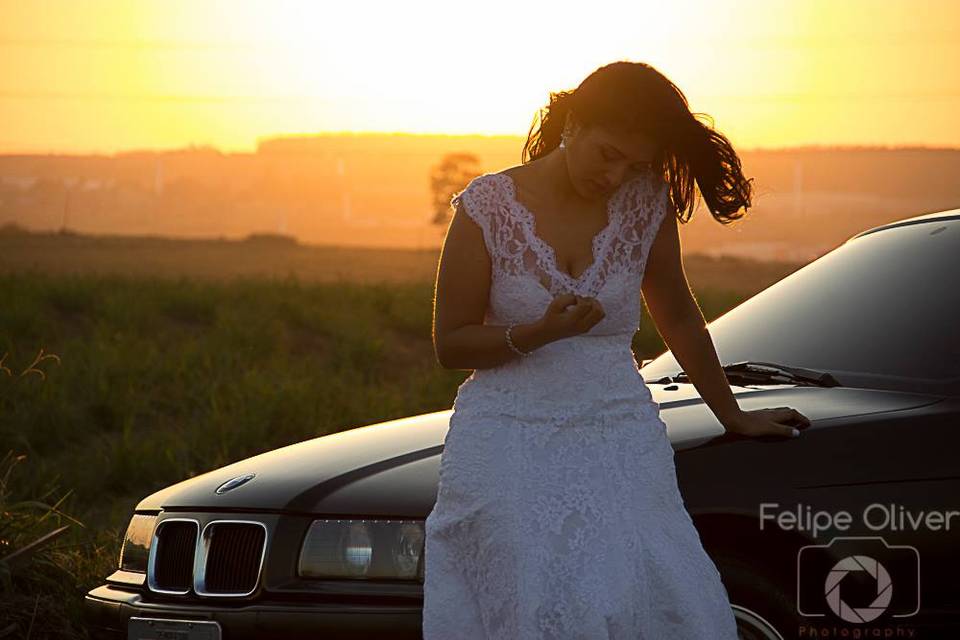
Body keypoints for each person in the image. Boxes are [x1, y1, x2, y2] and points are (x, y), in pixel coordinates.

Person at [425, 60, 811, 639]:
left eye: (635, 163)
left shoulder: (645, 204)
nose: (616, 175)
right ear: (573, 123)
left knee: (656, 594)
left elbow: (678, 314)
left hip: (617, 432)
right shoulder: (487, 207)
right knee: (529, 603)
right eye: (608, 154)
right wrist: (536, 334)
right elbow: (450, 342)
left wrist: (731, 413)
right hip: (505, 438)